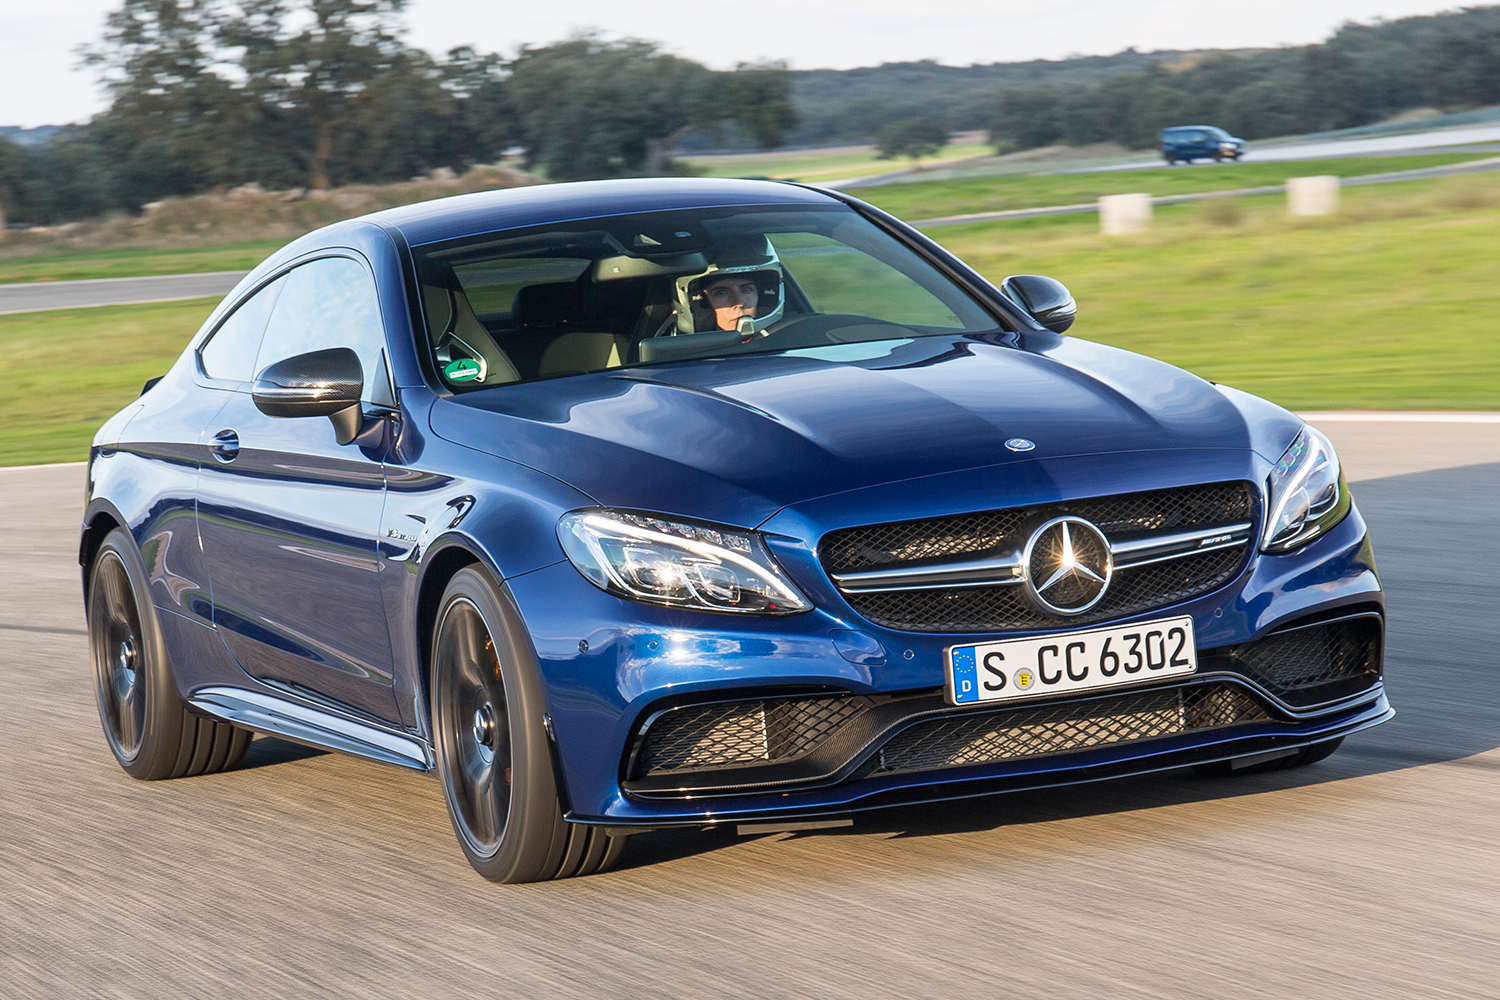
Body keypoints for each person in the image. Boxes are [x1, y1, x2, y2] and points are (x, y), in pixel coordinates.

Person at [672, 235, 786, 335]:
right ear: (696, 301)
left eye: (746, 290)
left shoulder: (791, 340)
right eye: (721, 293)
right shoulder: (675, 356)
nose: (739, 303)